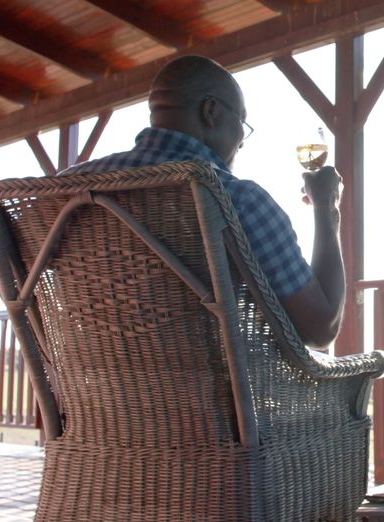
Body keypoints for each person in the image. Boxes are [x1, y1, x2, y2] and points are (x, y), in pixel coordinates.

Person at [60, 55, 345, 350]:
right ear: (211, 111)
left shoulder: (64, 192)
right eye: (242, 124)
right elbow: (320, 329)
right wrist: (326, 208)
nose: (242, 141)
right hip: (212, 393)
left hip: (85, 390)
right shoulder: (239, 202)